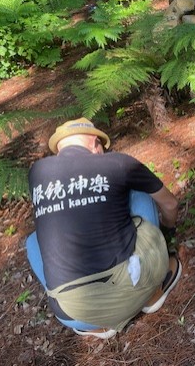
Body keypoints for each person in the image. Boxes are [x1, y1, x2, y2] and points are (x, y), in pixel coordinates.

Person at [25, 118, 181, 339]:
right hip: (133, 286)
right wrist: (168, 231)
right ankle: (153, 292)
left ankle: (97, 327)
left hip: (73, 312)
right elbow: (170, 204)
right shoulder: (117, 163)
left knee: (33, 241)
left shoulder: (37, 173)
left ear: (60, 150)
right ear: (95, 144)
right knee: (138, 194)